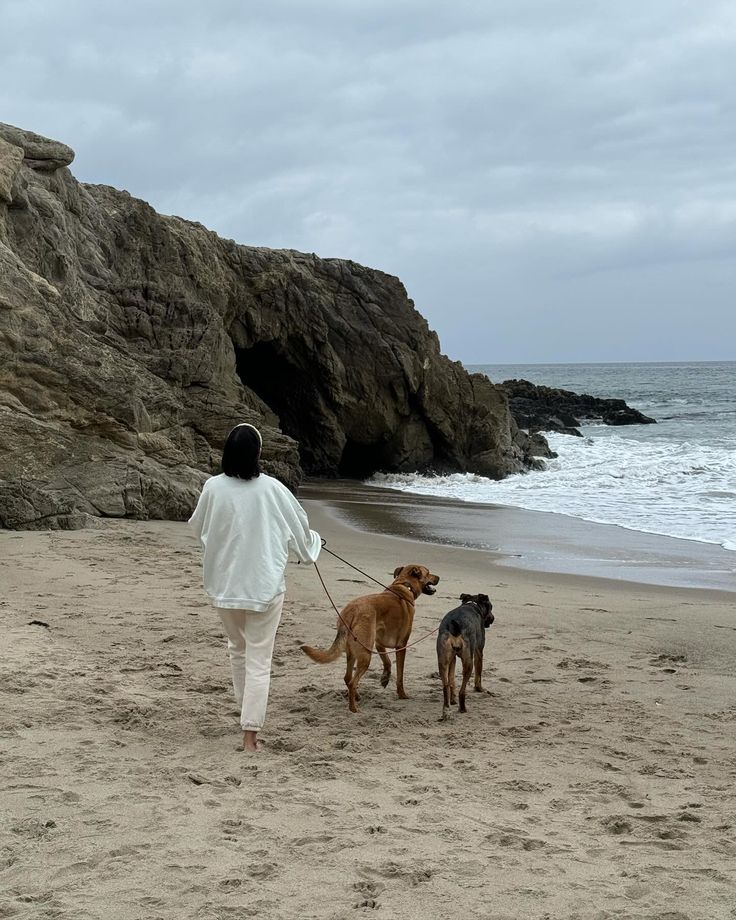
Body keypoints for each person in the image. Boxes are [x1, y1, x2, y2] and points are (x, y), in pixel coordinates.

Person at [188, 423, 321, 752]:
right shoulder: (272, 489)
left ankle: (246, 725)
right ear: (257, 455)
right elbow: (299, 528)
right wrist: (312, 548)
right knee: (258, 659)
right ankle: (250, 738)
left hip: (225, 585)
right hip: (263, 586)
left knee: (239, 651)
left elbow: (199, 528)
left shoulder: (213, 487)